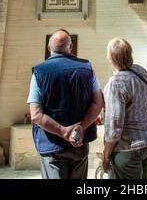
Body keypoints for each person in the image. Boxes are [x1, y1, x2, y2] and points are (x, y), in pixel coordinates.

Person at [27, 29, 104, 179]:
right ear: (70, 47)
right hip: (79, 142)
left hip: (51, 145)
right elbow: (98, 101)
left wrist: (63, 131)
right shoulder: (87, 68)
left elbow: (35, 114)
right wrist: (81, 127)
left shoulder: (39, 72)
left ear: (49, 49)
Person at [102, 37, 147, 179]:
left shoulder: (115, 84)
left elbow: (114, 126)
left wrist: (106, 154)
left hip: (128, 148)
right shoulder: (141, 72)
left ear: (111, 57)